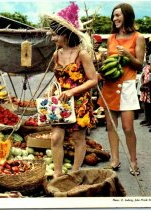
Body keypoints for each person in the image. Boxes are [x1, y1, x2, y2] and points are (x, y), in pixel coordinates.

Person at [46, 2, 98, 177]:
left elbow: (93, 80)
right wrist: (53, 88)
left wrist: (72, 92)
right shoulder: (56, 54)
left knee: (77, 139)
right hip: (61, 103)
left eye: (55, 35)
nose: (53, 39)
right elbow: (59, 77)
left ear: (65, 34)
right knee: (56, 138)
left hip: (79, 102)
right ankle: (58, 174)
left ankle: (75, 173)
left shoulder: (82, 54)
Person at [97, 3, 146, 176]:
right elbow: (108, 62)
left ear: (127, 15)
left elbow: (139, 65)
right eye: (113, 16)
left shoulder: (138, 37)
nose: (114, 19)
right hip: (110, 86)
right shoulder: (110, 38)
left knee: (127, 128)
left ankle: (133, 161)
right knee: (111, 126)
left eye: (118, 15)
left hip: (127, 86)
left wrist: (128, 55)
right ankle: (115, 159)